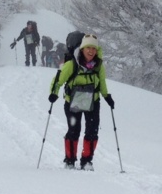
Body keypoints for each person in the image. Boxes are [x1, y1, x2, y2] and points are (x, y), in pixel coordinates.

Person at [48, 34, 115, 170]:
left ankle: (86, 161)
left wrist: (106, 96)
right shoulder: (71, 65)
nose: (91, 51)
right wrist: (53, 93)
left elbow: (102, 82)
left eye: (94, 48)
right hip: (73, 102)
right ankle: (70, 160)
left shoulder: (98, 66)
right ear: (82, 48)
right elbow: (58, 80)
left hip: (93, 102)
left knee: (92, 131)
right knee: (74, 130)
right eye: (88, 48)